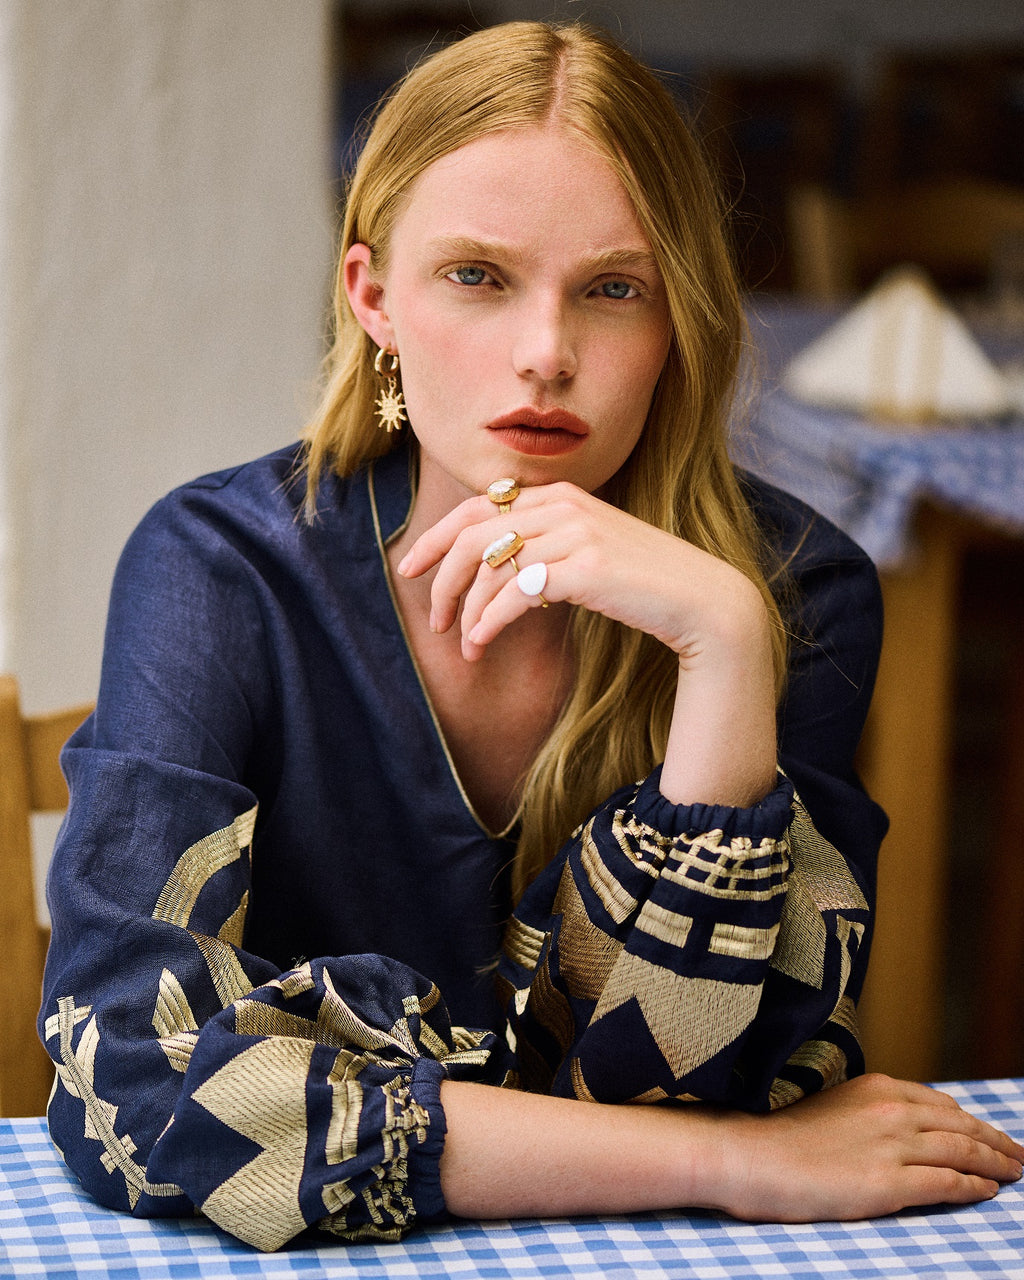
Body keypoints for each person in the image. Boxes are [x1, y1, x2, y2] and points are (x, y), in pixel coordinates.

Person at [40, 20, 1022, 1253]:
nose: (546, 354)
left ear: (678, 319)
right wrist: (731, 1162)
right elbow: (128, 1078)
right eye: (477, 276)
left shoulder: (792, 589)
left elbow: (722, 1068)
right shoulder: (219, 569)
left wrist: (722, 642)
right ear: (372, 296)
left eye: (614, 288)